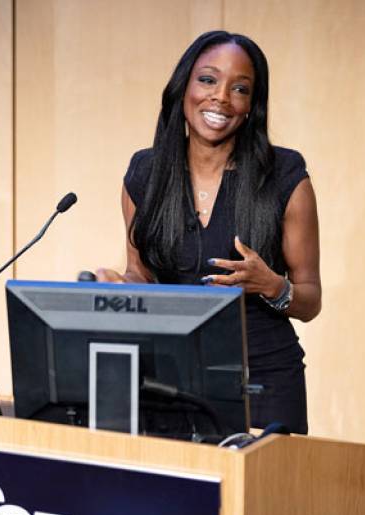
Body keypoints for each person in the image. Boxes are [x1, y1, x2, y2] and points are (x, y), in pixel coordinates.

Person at [96, 31, 321, 434]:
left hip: (263, 381)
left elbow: (310, 299)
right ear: (183, 87)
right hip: (168, 380)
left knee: (261, 498)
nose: (220, 97)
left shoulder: (284, 176)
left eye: (239, 88)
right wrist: (116, 285)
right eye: (207, 80)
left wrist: (271, 285)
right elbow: (141, 273)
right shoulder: (145, 175)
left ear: (252, 106)